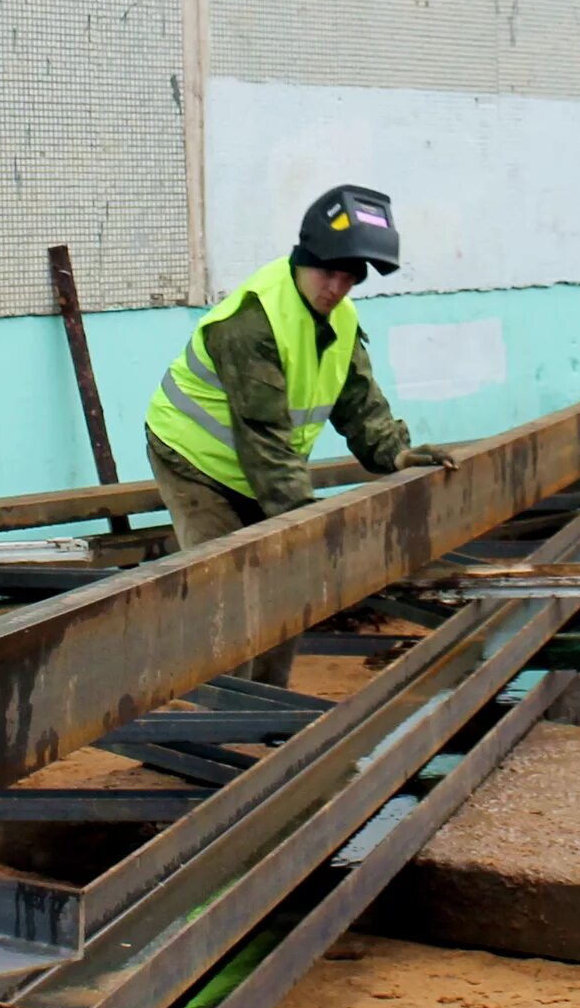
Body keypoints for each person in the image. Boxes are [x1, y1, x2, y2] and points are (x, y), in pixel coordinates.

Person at [144, 184, 458, 684]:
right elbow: (264, 440)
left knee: (287, 582)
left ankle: (268, 705)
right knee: (225, 585)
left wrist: (397, 454)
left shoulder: (340, 320)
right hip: (195, 462)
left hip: (257, 466)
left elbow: (360, 402)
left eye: (349, 279)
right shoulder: (252, 322)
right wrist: (307, 524)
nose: (335, 288)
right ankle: (217, 714)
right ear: (302, 259)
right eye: (327, 273)